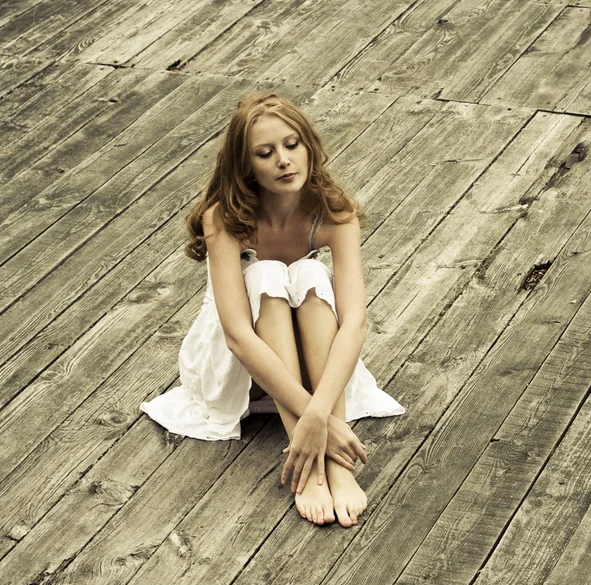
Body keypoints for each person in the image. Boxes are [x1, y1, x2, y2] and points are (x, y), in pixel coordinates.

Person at [140, 92, 405, 527]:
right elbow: (238, 338)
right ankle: (313, 466)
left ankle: (335, 463)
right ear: (246, 167)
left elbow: (355, 321)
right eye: (266, 153)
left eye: (291, 145)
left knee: (310, 277)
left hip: (311, 368)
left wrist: (319, 414)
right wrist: (317, 414)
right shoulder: (223, 217)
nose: (284, 160)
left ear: (308, 147)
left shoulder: (334, 213)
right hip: (241, 371)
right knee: (265, 276)